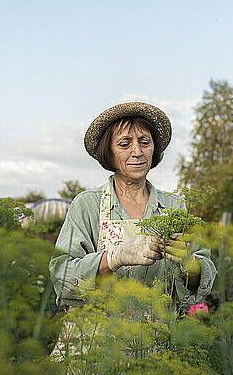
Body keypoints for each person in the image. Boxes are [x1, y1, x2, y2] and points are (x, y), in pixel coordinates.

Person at [49, 102, 216, 310]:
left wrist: (189, 264)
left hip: (157, 337)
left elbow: (202, 281)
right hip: (96, 337)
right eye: (124, 144)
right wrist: (115, 257)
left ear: (154, 149)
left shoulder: (173, 206)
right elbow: (61, 276)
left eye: (145, 142)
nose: (137, 152)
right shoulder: (87, 204)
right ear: (108, 152)